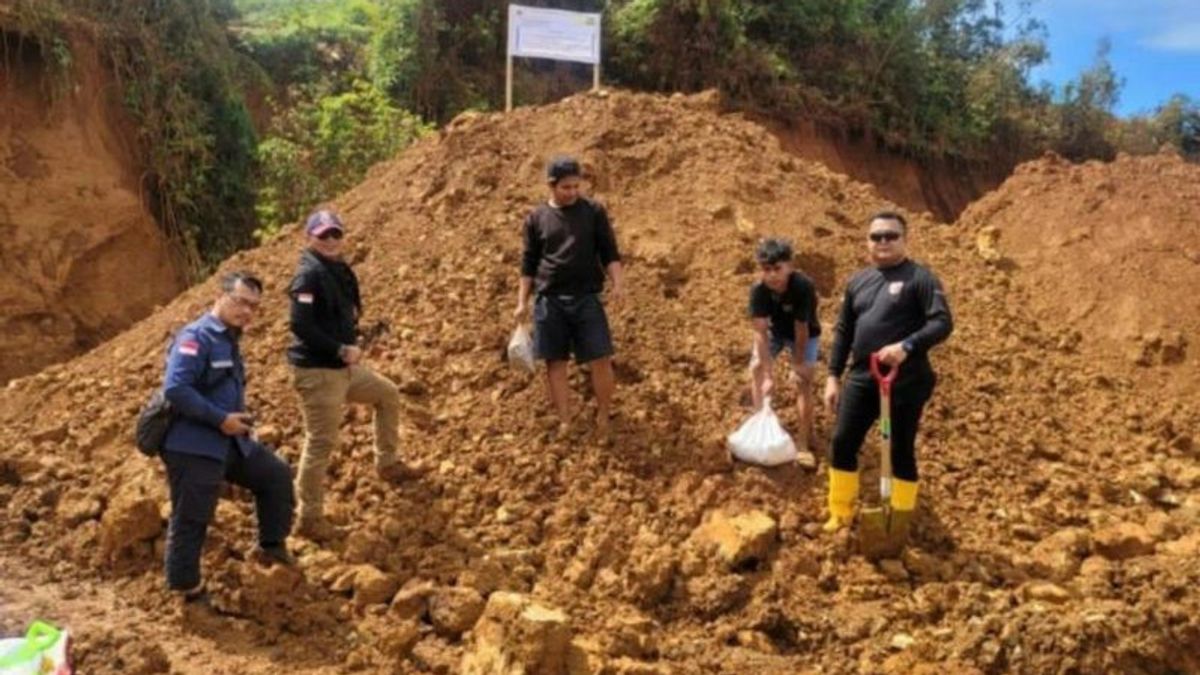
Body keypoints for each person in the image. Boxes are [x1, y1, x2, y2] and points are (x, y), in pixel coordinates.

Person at [160, 271, 295, 603]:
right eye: (240, 302)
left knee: (275, 476)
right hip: (194, 445)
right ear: (219, 297)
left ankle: (271, 546)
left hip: (230, 442)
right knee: (192, 517)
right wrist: (221, 419)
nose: (246, 311)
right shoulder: (196, 337)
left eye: (253, 306)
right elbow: (176, 389)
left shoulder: (229, 339)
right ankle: (185, 588)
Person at [288, 209, 422, 542]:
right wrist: (338, 349)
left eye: (336, 234)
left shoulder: (335, 269)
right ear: (310, 238)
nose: (331, 241)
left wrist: (355, 344)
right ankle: (309, 517)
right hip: (320, 372)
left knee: (387, 394)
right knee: (320, 443)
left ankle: (387, 463)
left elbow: (341, 316)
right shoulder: (308, 276)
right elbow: (300, 325)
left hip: (344, 368)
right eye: (323, 236)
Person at [822, 211, 953, 533]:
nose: (883, 242)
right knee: (842, 442)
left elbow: (942, 322)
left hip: (906, 380)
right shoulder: (858, 282)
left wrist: (906, 346)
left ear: (905, 240)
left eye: (891, 236)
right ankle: (840, 512)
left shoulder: (921, 278)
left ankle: (899, 518)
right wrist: (832, 376)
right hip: (863, 378)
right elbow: (843, 332)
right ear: (867, 242)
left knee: (900, 449)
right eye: (876, 236)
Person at [514, 156, 624, 440]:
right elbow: (528, 264)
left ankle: (603, 416)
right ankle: (565, 420)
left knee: (600, 358)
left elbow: (609, 252)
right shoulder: (537, 218)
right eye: (566, 187)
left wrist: (618, 284)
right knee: (555, 363)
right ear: (551, 186)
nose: (573, 192)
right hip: (550, 300)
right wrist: (521, 302)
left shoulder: (593, 212)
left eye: (577, 186)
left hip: (586, 297)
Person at [746, 237, 821, 468]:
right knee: (756, 367)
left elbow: (801, 330)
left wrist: (797, 364)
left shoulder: (802, 287)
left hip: (805, 334)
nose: (772, 275)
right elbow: (760, 332)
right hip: (775, 332)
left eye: (777, 268)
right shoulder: (758, 291)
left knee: (803, 381)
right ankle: (761, 427)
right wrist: (769, 375)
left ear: (790, 266)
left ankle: (803, 443)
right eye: (766, 269)